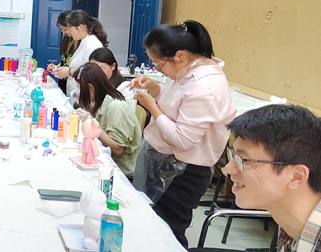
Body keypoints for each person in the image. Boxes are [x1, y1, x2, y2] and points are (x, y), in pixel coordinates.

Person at [130, 20, 236, 248]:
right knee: (149, 224)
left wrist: (152, 107)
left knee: (167, 233)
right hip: (163, 161)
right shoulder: (187, 71)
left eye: (159, 64)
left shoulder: (205, 87)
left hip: (182, 173)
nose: (159, 70)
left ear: (180, 56)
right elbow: (175, 107)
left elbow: (183, 139)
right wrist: (155, 89)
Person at [226, 105, 321, 252]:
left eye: (243, 160)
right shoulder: (288, 220)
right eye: (233, 155)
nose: (228, 168)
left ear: (296, 176)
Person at [73, 63, 142, 176]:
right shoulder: (103, 101)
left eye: (79, 88)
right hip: (107, 163)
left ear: (91, 88)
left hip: (121, 171)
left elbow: (117, 150)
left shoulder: (116, 107)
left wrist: (93, 126)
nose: (78, 92)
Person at [47, 10, 108, 101]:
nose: (69, 32)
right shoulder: (84, 41)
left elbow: (94, 74)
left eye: (70, 29)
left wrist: (69, 72)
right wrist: (61, 70)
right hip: (76, 95)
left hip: (84, 97)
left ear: (81, 27)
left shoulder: (92, 45)